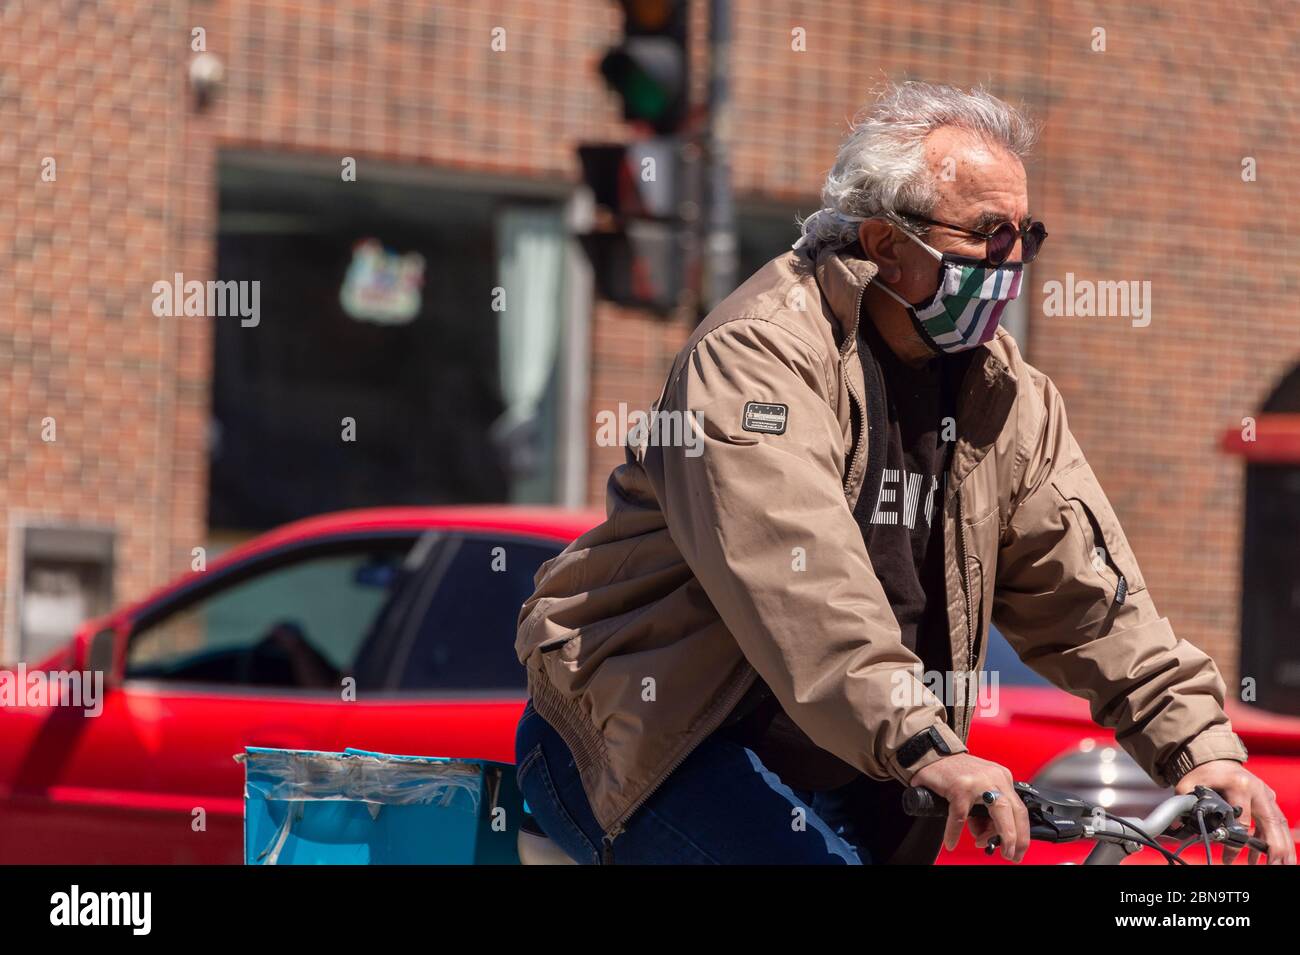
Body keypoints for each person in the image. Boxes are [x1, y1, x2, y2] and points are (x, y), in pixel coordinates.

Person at [513, 80, 1295, 865]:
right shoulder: (758, 357)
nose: (1012, 258)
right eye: (988, 232)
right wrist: (926, 744)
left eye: (1026, 233)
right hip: (649, 744)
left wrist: (1198, 746)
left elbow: (1088, 596)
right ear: (886, 243)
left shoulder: (1004, 394)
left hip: (858, 764)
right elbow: (804, 589)